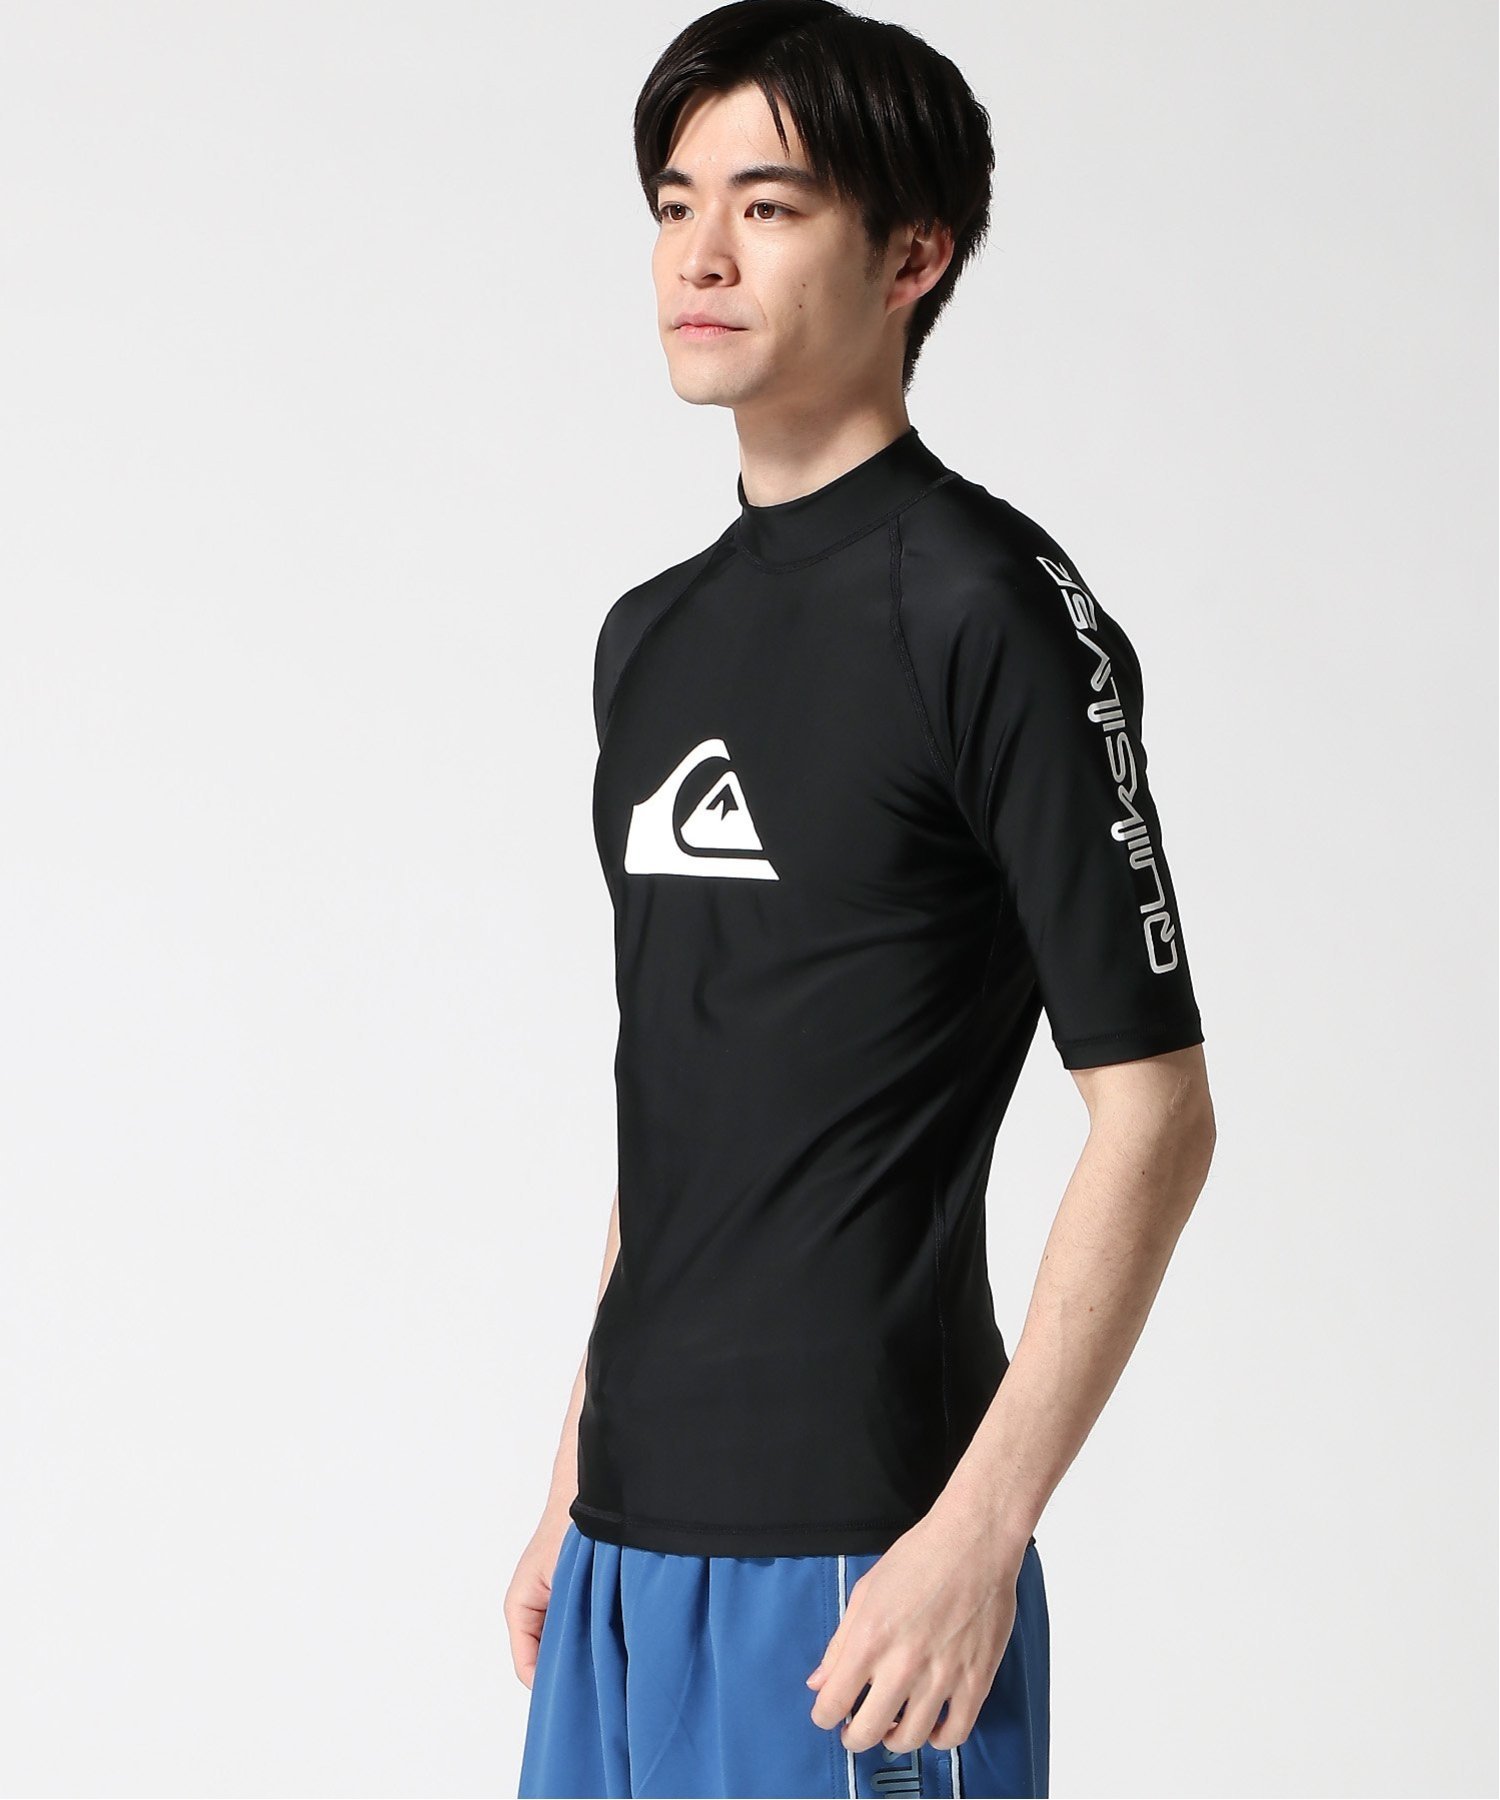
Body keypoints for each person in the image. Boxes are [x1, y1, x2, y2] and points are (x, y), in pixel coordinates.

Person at [508, 3, 1217, 1794]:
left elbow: (1158, 1115)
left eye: (768, 205)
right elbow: (695, 1098)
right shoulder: (648, 640)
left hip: (860, 1565)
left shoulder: (987, 609)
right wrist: (573, 1477)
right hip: (626, 1547)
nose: (701, 256)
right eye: (675, 206)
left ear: (914, 255)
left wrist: (979, 1532)